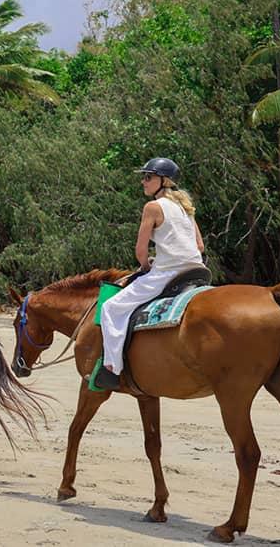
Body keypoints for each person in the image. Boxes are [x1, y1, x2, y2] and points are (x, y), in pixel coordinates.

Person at [93, 157, 205, 391]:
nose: (143, 182)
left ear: (164, 181)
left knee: (110, 308)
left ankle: (112, 368)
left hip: (168, 273)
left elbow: (140, 251)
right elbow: (200, 247)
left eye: (148, 177)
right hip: (197, 270)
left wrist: (145, 265)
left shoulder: (152, 207)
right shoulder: (186, 208)